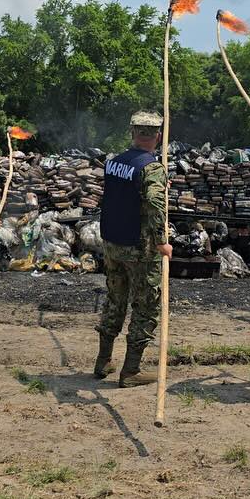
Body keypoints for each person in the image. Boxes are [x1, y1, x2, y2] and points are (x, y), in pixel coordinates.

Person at [94, 110, 172, 388]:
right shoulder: (152, 168)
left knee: (115, 298)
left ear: (132, 133)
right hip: (139, 248)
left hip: (113, 242)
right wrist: (162, 240)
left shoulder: (114, 162)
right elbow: (154, 204)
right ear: (158, 136)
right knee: (146, 305)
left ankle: (103, 360)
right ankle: (131, 370)